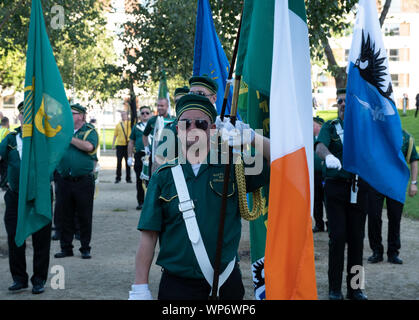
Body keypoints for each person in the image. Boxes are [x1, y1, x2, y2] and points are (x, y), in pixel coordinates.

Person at [129, 94, 270, 300]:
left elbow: (283, 160)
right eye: (186, 123)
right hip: (177, 286)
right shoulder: (163, 176)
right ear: (177, 129)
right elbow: (149, 235)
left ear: (212, 130)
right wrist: (140, 286)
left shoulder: (234, 166)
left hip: (225, 282)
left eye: (201, 123)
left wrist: (251, 136)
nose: (193, 128)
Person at [315, 88, 368, 300]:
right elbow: (320, 146)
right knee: (337, 237)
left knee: (357, 239)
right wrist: (327, 156)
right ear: (337, 104)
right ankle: (334, 289)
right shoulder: (330, 126)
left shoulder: (363, 128)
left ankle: (356, 288)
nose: (344, 104)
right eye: (340, 101)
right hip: (336, 186)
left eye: (347, 100)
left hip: (359, 187)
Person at [0, 102, 51, 294]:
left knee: (41, 237)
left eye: (30, 114)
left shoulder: (45, 138)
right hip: (15, 196)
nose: (25, 117)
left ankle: (39, 280)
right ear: (19, 117)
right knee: (15, 236)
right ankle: (19, 279)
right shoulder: (11, 139)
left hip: (40, 196)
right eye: (23, 114)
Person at [367, 129, 418, 265]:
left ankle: (393, 252)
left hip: (396, 184)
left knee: (395, 218)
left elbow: (413, 160)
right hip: (375, 183)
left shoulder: (406, 138)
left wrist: (413, 183)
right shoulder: (374, 133)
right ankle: (377, 251)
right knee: (374, 217)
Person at [54, 103, 98, 259]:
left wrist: (69, 139)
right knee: (65, 214)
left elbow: (89, 146)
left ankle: (85, 247)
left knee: (84, 215)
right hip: (64, 179)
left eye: (72, 113)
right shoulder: (62, 130)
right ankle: (66, 247)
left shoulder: (89, 131)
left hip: (83, 181)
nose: (69, 116)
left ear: (81, 116)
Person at [141, 97, 175, 173]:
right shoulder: (152, 120)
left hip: (169, 155)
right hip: (155, 156)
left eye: (162, 106)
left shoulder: (173, 119)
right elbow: (144, 135)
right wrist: (146, 147)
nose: (159, 108)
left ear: (167, 106)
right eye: (158, 105)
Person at [128, 106, 152, 210]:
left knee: (152, 179)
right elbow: (131, 142)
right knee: (139, 179)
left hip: (152, 155)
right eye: (142, 113)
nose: (145, 115)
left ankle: (151, 202)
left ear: (150, 114)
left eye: (147, 113)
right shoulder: (136, 127)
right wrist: (129, 156)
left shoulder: (155, 126)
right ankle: (141, 202)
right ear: (140, 115)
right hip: (139, 155)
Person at [313, 116, 326, 233]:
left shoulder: (326, 138)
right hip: (314, 174)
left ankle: (331, 223)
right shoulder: (309, 139)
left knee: (327, 200)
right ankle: (319, 223)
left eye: (313, 125)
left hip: (325, 174)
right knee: (316, 200)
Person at [112, 111, 132, 184]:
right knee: (119, 162)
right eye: (122, 115)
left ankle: (128, 178)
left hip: (127, 145)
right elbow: (115, 135)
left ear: (127, 115)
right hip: (120, 145)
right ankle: (118, 178)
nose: (123, 116)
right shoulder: (118, 125)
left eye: (124, 115)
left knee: (128, 163)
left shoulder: (129, 124)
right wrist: (113, 144)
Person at [0, 117, 10, 190]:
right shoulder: (7, 132)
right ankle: (3, 185)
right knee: (5, 170)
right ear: (7, 123)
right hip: (3, 152)